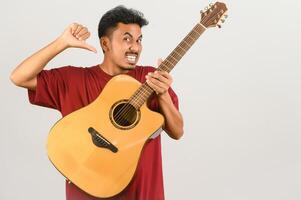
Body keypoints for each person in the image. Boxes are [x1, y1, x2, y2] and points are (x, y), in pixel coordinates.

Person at [10, 5, 184, 200]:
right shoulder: (74, 80)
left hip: (143, 194)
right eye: (126, 39)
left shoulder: (150, 78)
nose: (135, 47)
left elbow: (177, 131)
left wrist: (163, 95)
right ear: (105, 44)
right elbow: (19, 77)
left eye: (139, 40)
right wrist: (61, 43)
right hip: (86, 192)